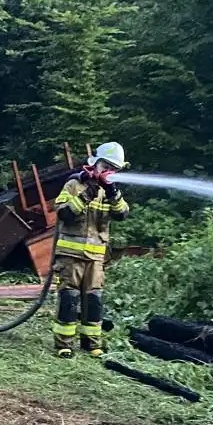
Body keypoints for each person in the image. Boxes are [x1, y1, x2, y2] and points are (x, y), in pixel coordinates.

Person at [51, 141, 130, 358]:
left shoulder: (111, 192)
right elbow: (63, 213)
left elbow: (122, 214)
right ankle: (64, 344)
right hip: (70, 255)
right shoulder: (74, 185)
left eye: (115, 168)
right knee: (69, 298)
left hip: (96, 257)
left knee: (93, 300)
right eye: (107, 166)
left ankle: (92, 343)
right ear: (96, 164)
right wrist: (87, 194)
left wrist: (112, 193)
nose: (110, 171)